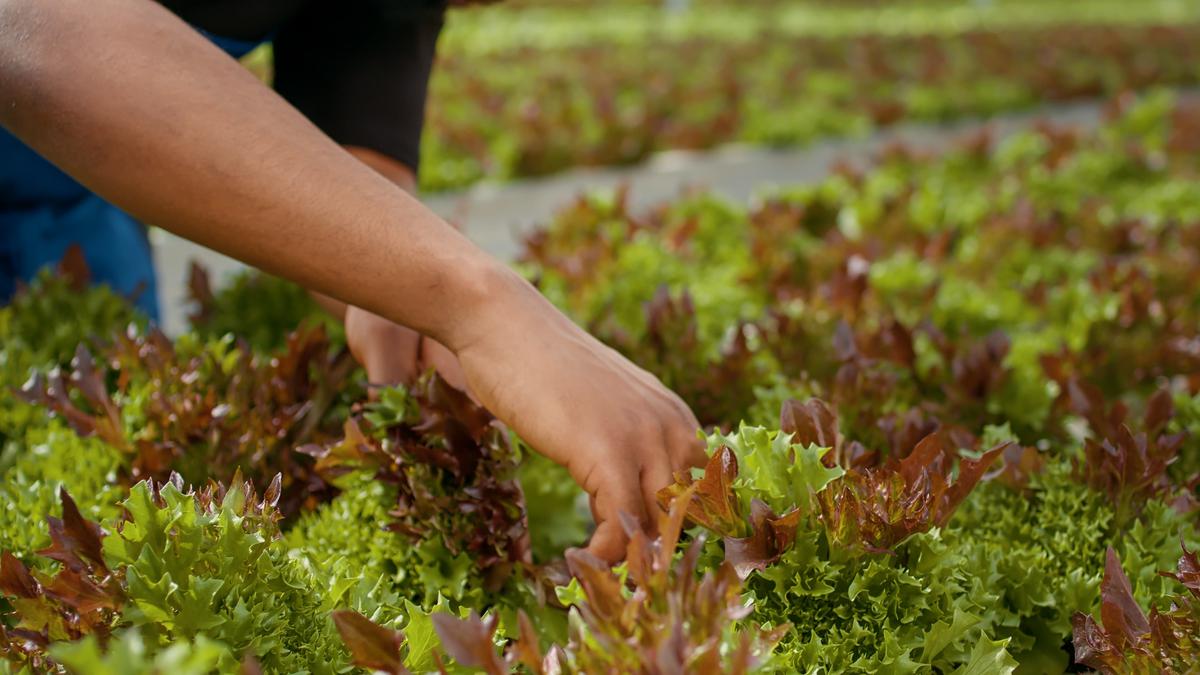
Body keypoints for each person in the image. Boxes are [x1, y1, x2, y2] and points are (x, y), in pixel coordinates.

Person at [0, 0, 706, 562]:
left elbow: (361, 168)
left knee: (88, 426)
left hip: (68, 192)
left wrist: (408, 308)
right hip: (65, 100)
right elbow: (37, 27)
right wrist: (484, 305)